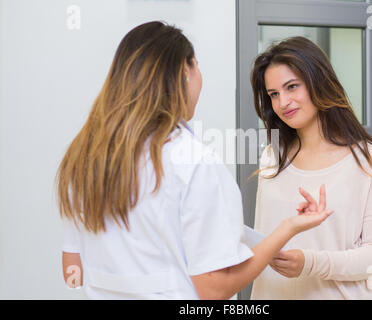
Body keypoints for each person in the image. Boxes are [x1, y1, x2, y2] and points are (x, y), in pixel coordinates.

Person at [56, 22, 333, 300]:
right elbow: (213, 289)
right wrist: (286, 230)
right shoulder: (192, 160)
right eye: (197, 66)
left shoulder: (83, 159)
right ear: (184, 73)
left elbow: (73, 267)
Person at [249, 36, 372, 300]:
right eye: (274, 94)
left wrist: (310, 263)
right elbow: (264, 243)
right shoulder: (272, 156)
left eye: (292, 87)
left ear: (318, 81)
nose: (283, 102)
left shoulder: (367, 159)